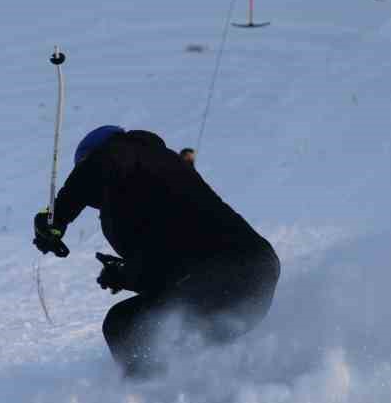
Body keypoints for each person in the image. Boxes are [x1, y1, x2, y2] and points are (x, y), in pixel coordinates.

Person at [33, 126, 279, 377]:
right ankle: (215, 400)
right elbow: (175, 259)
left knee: (125, 325)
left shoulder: (126, 150)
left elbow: (102, 163)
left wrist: (57, 216)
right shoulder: (147, 185)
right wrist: (128, 275)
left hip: (227, 269)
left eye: (84, 172)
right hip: (251, 275)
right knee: (168, 334)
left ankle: (145, 397)